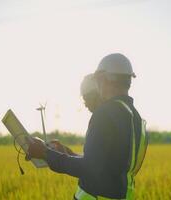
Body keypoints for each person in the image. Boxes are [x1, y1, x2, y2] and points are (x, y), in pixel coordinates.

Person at [27, 53, 148, 200]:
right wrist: (67, 152)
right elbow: (106, 164)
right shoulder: (137, 120)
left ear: (104, 79)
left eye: (98, 80)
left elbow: (89, 168)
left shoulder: (105, 113)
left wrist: (45, 153)